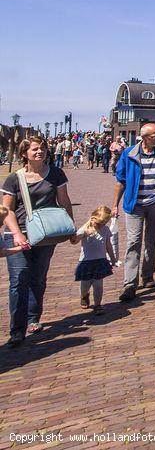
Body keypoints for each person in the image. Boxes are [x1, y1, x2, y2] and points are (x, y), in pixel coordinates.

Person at [1, 136, 75, 346]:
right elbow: (6, 210)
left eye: (42, 148)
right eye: (35, 149)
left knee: (38, 277)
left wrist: (70, 227)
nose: (40, 152)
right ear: (25, 153)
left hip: (46, 234)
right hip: (19, 233)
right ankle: (17, 329)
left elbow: (65, 201)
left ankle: (33, 318)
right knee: (19, 279)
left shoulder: (55, 173)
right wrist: (17, 234)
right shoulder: (14, 179)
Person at [113, 123, 155, 301]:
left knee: (152, 241)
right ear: (144, 137)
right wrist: (115, 205)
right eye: (154, 136)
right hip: (134, 203)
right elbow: (120, 180)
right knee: (133, 241)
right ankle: (130, 283)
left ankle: (148, 275)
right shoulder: (129, 154)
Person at [69, 206, 117, 314]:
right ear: (93, 218)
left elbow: (108, 245)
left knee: (98, 285)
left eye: (103, 224)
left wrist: (113, 258)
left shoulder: (105, 230)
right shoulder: (85, 229)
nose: (100, 226)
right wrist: (72, 236)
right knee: (85, 284)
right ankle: (84, 295)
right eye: (98, 223)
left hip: (100, 261)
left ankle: (97, 305)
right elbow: (74, 241)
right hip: (86, 262)